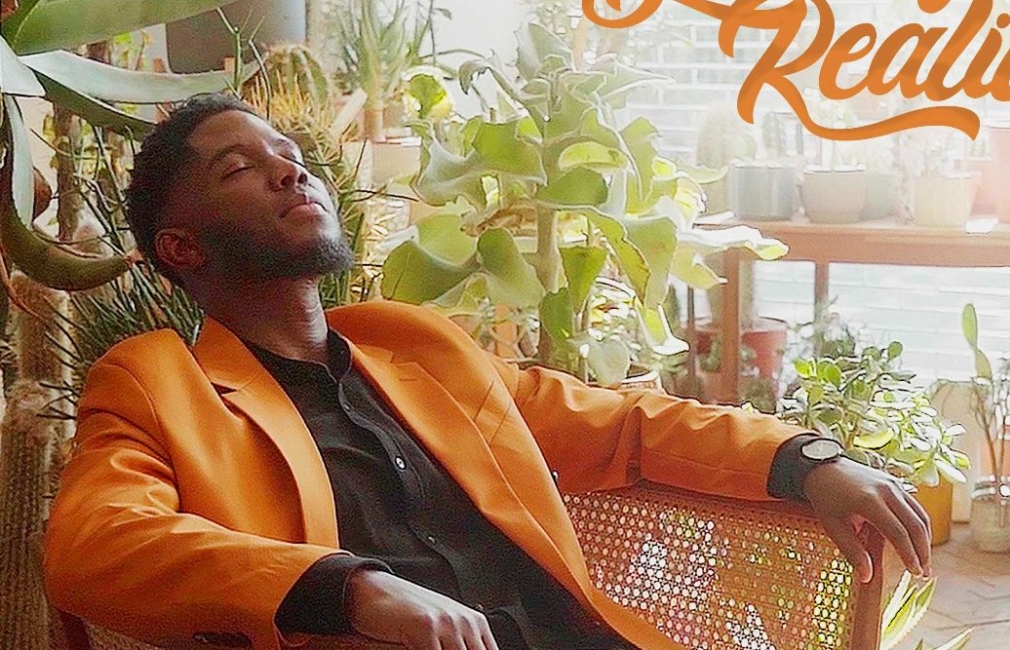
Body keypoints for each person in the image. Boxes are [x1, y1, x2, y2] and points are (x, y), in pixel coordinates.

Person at [43, 94, 931, 650]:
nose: (289, 171)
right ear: (182, 247)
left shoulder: (411, 347)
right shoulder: (156, 382)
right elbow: (94, 546)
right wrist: (348, 589)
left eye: (291, 156)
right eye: (240, 168)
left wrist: (807, 461)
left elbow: (623, 424)